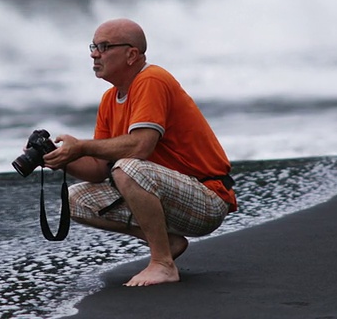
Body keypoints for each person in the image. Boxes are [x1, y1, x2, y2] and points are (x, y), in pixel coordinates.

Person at [43, 18, 237, 287]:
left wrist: (82, 146)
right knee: (74, 198)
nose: (93, 54)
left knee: (127, 168)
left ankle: (163, 264)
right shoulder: (110, 99)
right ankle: (167, 243)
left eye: (104, 46)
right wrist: (62, 158)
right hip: (167, 195)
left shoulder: (152, 79)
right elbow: (99, 169)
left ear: (131, 54)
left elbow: (141, 146)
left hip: (208, 197)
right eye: (93, 46)